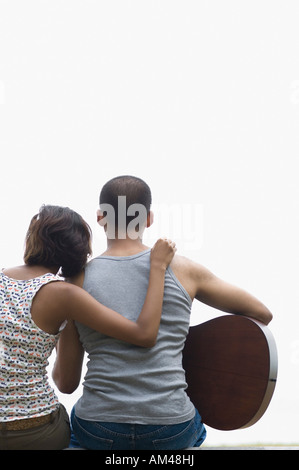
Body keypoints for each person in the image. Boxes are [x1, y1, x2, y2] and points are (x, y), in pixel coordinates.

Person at [53, 175, 273, 451]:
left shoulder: (75, 282)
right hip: (171, 426)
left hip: (99, 426)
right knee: (192, 429)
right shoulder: (185, 270)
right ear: (148, 219)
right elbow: (261, 313)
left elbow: (67, 383)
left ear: (100, 217)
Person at [0, 204, 176, 450]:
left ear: (32, 239)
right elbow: (144, 335)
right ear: (77, 251)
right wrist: (157, 267)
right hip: (36, 430)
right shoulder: (65, 294)